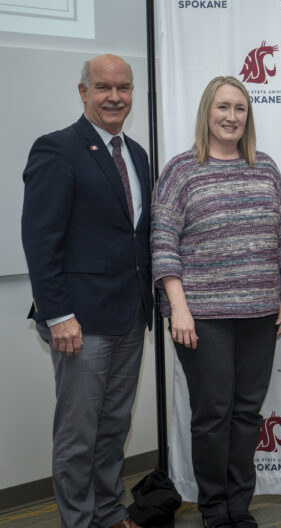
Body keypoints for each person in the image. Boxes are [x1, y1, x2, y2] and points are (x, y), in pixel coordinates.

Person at [151, 76, 281, 528]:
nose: (231, 117)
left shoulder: (266, 167)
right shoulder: (181, 170)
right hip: (202, 317)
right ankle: (214, 508)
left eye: (240, 109)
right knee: (213, 414)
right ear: (206, 114)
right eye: (223, 107)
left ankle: (239, 506)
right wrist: (179, 307)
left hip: (261, 313)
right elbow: (163, 242)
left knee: (247, 413)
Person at [20, 54, 152, 528]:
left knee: (113, 428)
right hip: (80, 322)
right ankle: (79, 521)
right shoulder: (56, 149)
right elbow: (40, 240)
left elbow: (138, 235)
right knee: (79, 435)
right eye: (103, 88)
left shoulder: (136, 154)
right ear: (83, 93)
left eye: (124, 88)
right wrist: (58, 315)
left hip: (130, 316)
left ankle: (110, 513)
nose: (115, 97)